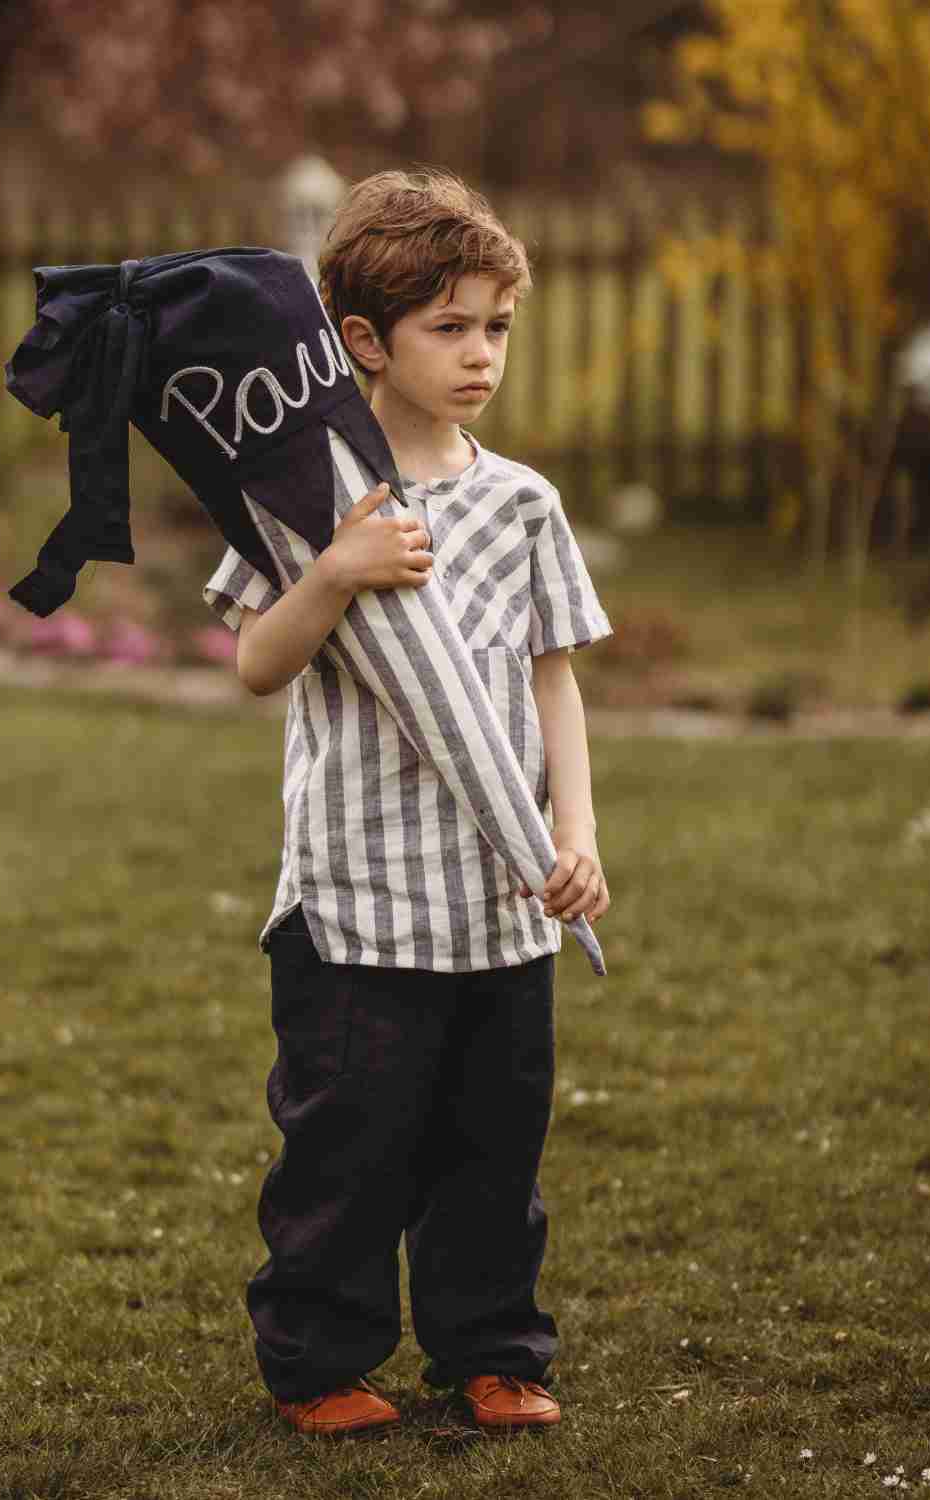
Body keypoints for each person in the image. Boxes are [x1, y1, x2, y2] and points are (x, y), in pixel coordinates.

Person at [202, 168, 613, 1437]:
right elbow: (256, 663)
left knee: (492, 1152)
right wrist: (336, 569)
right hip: (358, 910)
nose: (481, 353)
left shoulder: (524, 503)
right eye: (449, 327)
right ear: (366, 342)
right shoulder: (308, 497)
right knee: (348, 1149)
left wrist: (576, 833)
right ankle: (319, 1364)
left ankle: (489, 1354)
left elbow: (553, 681)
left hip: (502, 906)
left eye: (497, 326)